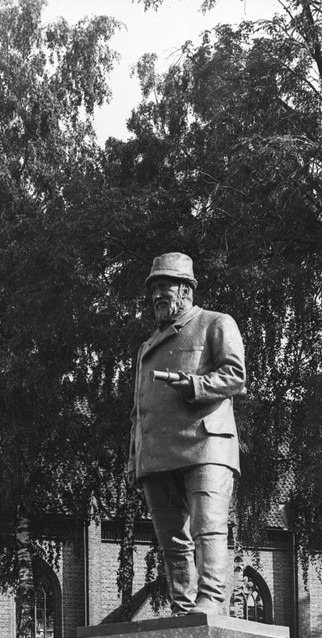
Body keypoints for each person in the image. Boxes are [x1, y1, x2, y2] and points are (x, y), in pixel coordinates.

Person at [127, 252, 246, 615]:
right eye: (153, 289)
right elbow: (138, 409)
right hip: (158, 453)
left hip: (206, 443)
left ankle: (210, 599)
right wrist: (136, 457)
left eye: (165, 286)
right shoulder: (146, 348)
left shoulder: (215, 323)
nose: (157, 295)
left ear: (186, 289)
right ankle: (183, 604)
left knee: (208, 527)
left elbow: (235, 375)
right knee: (171, 540)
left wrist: (194, 385)